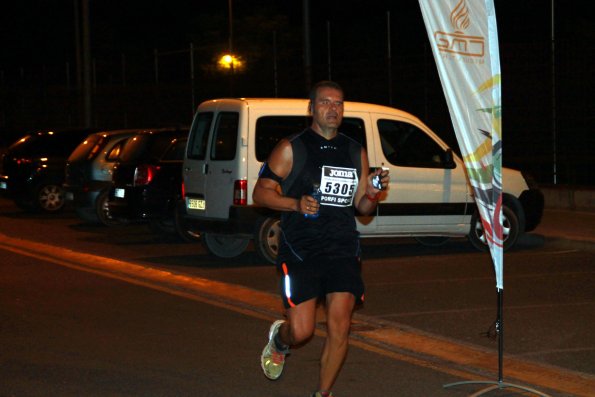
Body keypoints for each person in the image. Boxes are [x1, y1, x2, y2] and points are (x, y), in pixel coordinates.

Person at [253, 80, 389, 397]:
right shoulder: (292, 147)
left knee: (340, 326)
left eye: (339, 103)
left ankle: (322, 393)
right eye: (326, 102)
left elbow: (363, 207)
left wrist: (372, 192)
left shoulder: (355, 151)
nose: (333, 109)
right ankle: (279, 339)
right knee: (301, 331)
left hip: (342, 247)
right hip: (302, 250)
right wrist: (294, 204)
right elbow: (261, 193)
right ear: (312, 108)